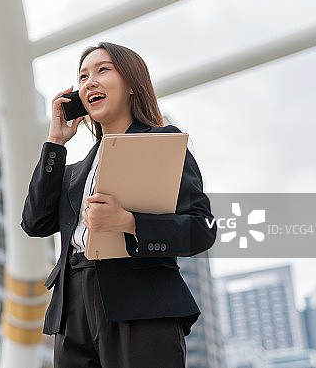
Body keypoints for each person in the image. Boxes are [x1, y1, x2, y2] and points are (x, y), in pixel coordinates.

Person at [21, 42, 217, 368]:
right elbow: (34, 223)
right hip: (73, 307)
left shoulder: (162, 143)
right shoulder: (73, 173)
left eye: (102, 70)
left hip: (140, 299)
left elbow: (202, 229)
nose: (89, 82)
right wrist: (55, 143)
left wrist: (129, 223)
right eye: (83, 77)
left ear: (131, 84)